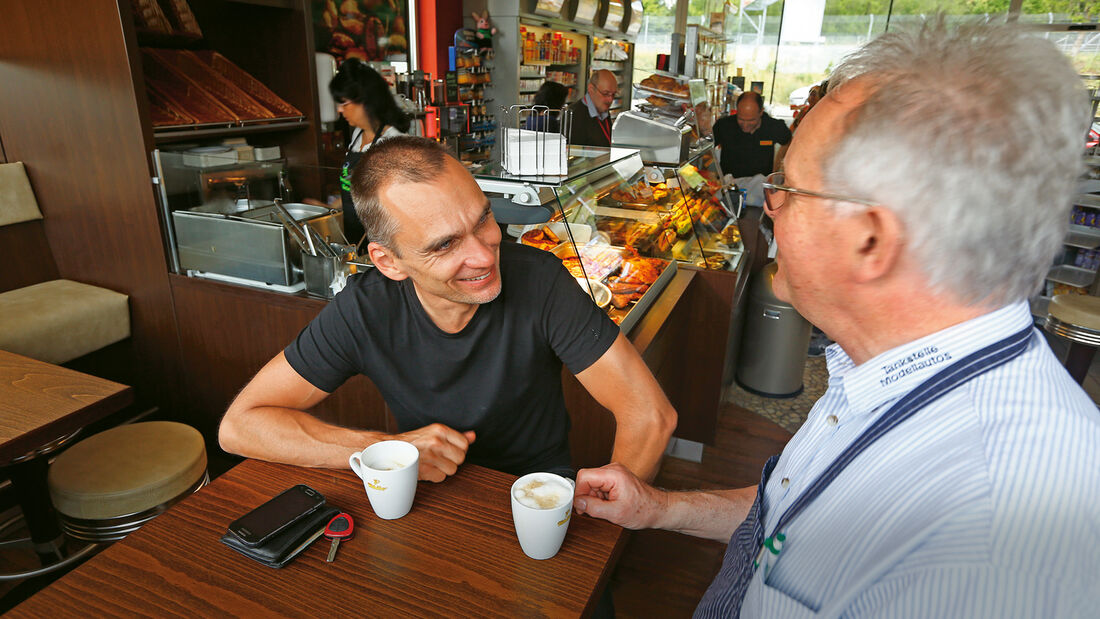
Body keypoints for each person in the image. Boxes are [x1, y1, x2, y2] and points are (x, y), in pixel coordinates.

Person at [572, 19, 1100, 617]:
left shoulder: (987, 543)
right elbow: (796, 514)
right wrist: (660, 508)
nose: (770, 208)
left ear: (870, 240)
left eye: (788, 188)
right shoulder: (879, 369)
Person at [219, 136, 677, 484]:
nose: (484, 255)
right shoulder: (364, 309)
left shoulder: (539, 280)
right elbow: (240, 426)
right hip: (427, 497)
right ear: (388, 262)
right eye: (444, 245)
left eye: (482, 218)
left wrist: (604, 531)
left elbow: (650, 415)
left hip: (535, 489)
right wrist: (387, 449)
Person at [329, 58, 409, 246]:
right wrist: (329, 209)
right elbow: (353, 190)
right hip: (354, 237)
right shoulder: (357, 135)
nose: (340, 110)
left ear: (365, 102)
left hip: (381, 242)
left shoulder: (392, 141)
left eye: (344, 103)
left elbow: (400, 203)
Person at [712, 91, 792, 178]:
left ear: (761, 112)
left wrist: (777, 165)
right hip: (729, 183)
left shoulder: (773, 126)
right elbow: (707, 148)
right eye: (741, 119)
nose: (745, 125)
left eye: (751, 120)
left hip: (760, 184)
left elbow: (787, 141)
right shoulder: (724, 125)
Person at [568, 69, 618, 147]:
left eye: (613, 95)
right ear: (591, 89)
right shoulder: (573, 116)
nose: (610, 100)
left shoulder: (602, 110)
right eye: (605, 93)